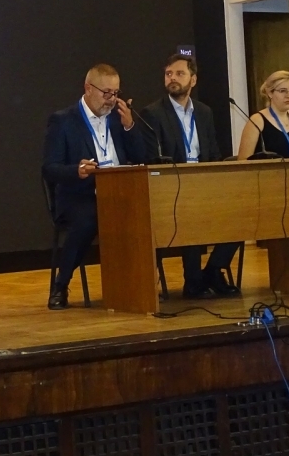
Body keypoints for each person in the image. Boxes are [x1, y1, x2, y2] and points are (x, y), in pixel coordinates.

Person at [42, 64, 146, 310]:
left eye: (115, 93)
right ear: (88, 88)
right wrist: (76, 170)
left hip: (120, 193)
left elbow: (142, 158)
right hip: (80, 195)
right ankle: (61, 284)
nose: (111, 99)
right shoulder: (63, 121)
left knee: (147, 212)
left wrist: (130, 126)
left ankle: (142, 286)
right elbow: (49, 168)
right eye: (106, 92)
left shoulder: (119, 118)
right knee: (89, 218)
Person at [140, 52, 241, 298]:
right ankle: (193, 281)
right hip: (173, 188)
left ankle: (214, 270)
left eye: (179, 73)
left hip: (204, 184)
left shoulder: (204, 112)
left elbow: (213, 153)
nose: (172, 78)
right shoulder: (153, 113)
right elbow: (154, 158)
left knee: (240, 212)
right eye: (168, 74)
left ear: (193, 80)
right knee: (191, 211)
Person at [237, 70, 289, 159]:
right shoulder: (257, 120)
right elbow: (242, 160)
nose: (288, 95)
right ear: (270, 93)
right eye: (282, 91)